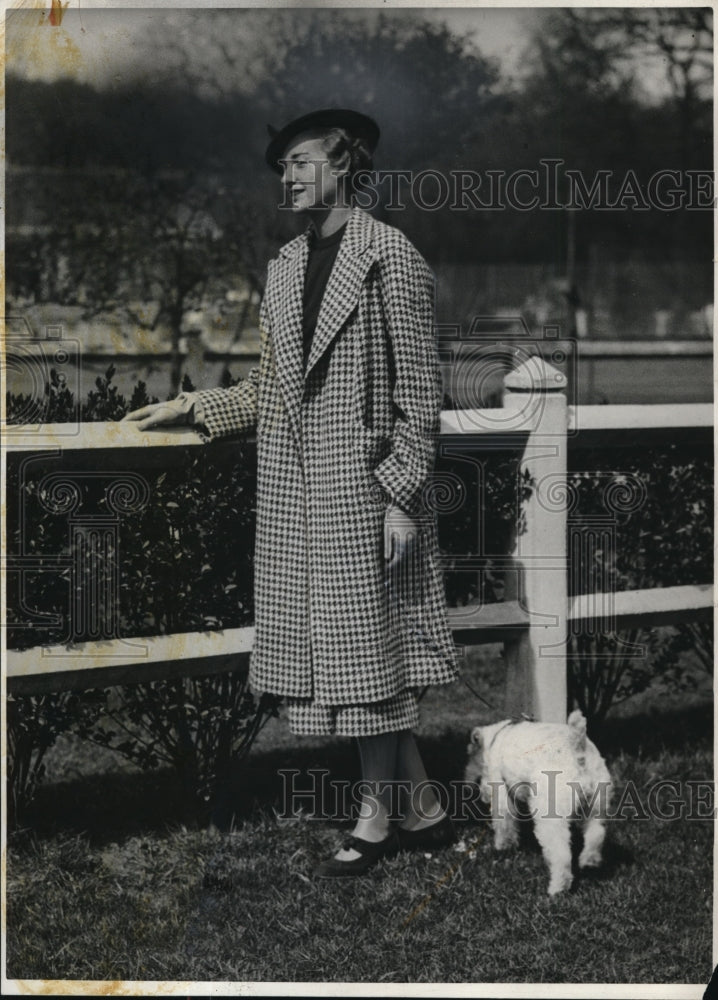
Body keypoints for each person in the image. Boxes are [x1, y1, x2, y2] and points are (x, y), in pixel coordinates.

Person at [124, 108, 461, 877]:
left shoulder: (389, 255)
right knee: (356, 652)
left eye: (304, 160)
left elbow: (419, 391)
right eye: (282, 166)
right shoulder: (283, 264)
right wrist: (193, 406)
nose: (289, 176)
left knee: (366, 657)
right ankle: (424, 810)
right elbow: (271, 385)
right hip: (297, 494)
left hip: (368, 488)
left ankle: (375, 822)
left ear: (346, 165)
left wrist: (402, 496)